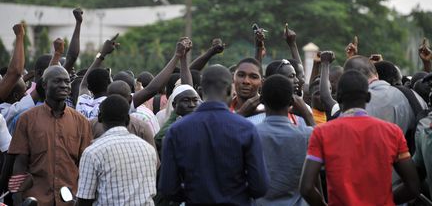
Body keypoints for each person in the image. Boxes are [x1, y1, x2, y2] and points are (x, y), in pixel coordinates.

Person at [300, 70, 420, 206]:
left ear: (338, 97)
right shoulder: (393, 132)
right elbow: (413, 186)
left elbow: (307, 188)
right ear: (368, 97)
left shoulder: (321, 133)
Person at [158, 65, 269, 205]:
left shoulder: (176, 131)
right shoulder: (246, 129)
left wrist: (193, 195)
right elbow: (260, 187)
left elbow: (168, 189)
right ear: (230, 90)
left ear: (200, 91)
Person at [8, 65, 92, 205]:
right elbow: (20, 163)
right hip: (36, 200)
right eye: (58, 81)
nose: (64, 85)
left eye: (67, 82)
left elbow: (85, 166)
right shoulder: (27, 119)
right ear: (45, 85)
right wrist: (17, 199)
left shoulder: (81, 122)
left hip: (70, 200)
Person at [76, 95, 158, 206]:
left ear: (99, 117)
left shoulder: (93, 152)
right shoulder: (148, 149)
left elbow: (84, 200)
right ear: (128, 119)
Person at [255, 74, 311, 206]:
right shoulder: (307, 135)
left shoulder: (250, 134)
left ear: (261, 99)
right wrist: (308, 115)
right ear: (292, 101)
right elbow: (322, 142)